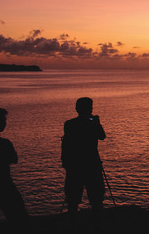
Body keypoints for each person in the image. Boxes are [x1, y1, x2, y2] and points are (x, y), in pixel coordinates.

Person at [0, 108, 30, 233]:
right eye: (3, 120)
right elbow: (14, 159)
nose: (5, 123)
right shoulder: (4, 143)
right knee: (20, 219)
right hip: (5, 186)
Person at [61, 97, 106, 231]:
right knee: (96, 197)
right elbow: (102, 136)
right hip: (92, 165)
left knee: (73, 198)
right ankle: (97, 225)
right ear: (89, 109)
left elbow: (66, 144)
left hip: (75, 166)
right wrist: (97, 122)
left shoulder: (69, 124)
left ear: (77, 109)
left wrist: (66, 162)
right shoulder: (92, 123)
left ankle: (72, 225)